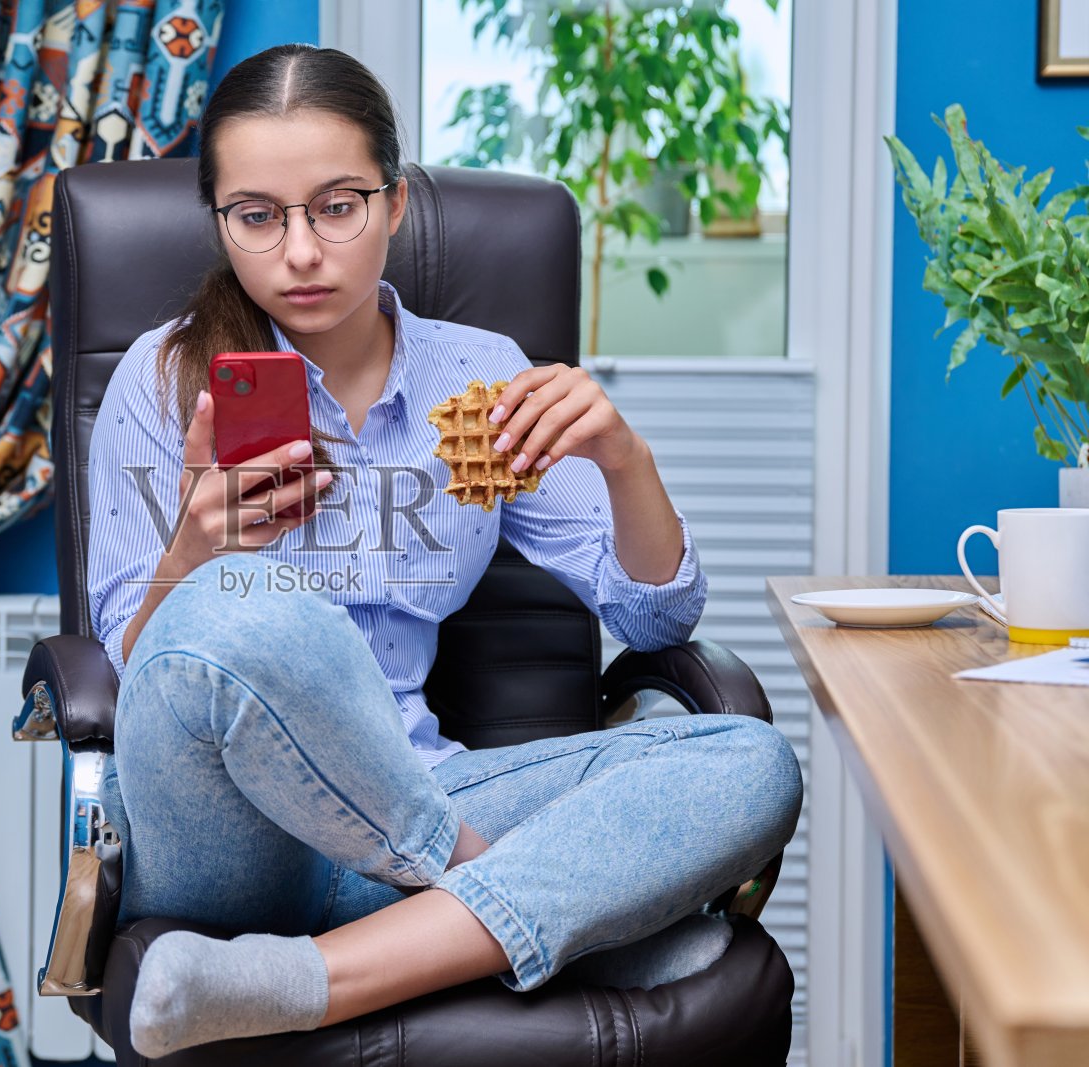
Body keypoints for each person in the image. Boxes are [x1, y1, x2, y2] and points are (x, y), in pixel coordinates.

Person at [84, 42, 804, 1059]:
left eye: (336, 205)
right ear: (219, 223)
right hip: (230, 836)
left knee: (750, 760)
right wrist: (194, 549)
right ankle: (517, 899)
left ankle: (310, 977)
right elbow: (138, 669)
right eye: (257, 215)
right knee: (250, 599)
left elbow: (655, 619)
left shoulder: (480, 381)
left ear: (392, 205)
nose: (299, 250)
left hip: (427, 781)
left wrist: (624, 458)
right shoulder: (161, 381)